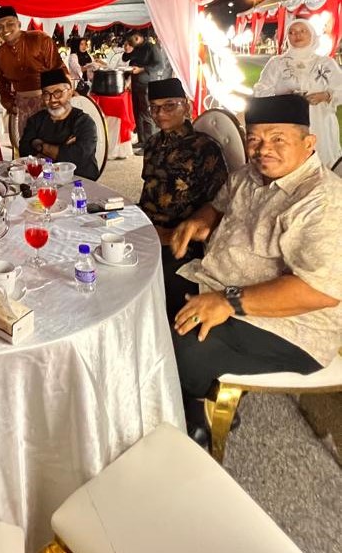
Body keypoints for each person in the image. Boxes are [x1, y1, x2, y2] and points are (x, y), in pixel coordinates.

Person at [166, 94, 342, 444]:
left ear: (309, 143)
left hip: (293, 324)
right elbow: (217, 205)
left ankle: (197, 417)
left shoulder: (322, 201)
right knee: (145, 284)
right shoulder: (250, 174)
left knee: (181, 346)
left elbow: (319, 292)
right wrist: (200, 220)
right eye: (254, 139)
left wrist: (227, 301)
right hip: (217, 279)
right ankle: (183, 394)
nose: (263, 149)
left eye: (278, 139)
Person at [139, 77, 228, 317]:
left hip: (182, 239)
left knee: (147, 283)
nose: (160, 114)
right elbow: (148, 191)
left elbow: (219, 205)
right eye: (154, 107)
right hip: (146, 227)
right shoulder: (152, 143)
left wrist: (171, 234)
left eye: (169, 106)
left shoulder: (203, 148)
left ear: (186, 106)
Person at [254, 19, 342, 166]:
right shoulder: (276, 63)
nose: (297, 35)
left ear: (312, 34)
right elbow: (260, 91)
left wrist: (326, 96)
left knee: (319, 164)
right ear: (287, 37)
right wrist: (286, 98)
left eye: (303, 31)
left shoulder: (326, 63)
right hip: (286, 122)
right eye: (292, 32)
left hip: (319, 122)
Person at [0, 5, 69, 139]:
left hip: (48, 102)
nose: (5, 29)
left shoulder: (39, 39)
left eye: (10, 24)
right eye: (0, 26)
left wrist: (58, 101)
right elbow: (2, 84)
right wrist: (10, 104)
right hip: (22, 106)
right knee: (28, 145)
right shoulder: (0, 54)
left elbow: (58, 69)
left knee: (52, 144)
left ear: (19, 24)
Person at [19, 69, 99, 180]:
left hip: (80, 180)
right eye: (46, 94)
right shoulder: (35, 120)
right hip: (45, 180)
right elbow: (24, 151)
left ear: (70, 93)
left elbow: (78, 157)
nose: (52, 99)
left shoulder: (84, 122)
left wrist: (40, 145)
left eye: (58, 93)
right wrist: (62, 149)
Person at [122, 31, 165, 154]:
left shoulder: (151, 47)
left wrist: (141, 69)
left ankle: (149, 145)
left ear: (137, 38)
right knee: (137, 112)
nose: (130, 45)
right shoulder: (136, 48)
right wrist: (127, 50)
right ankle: (142, 140)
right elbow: (126, 58)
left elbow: (160, 65)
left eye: (131, 42)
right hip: (135, 83)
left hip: (147, 83)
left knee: (146, 113)